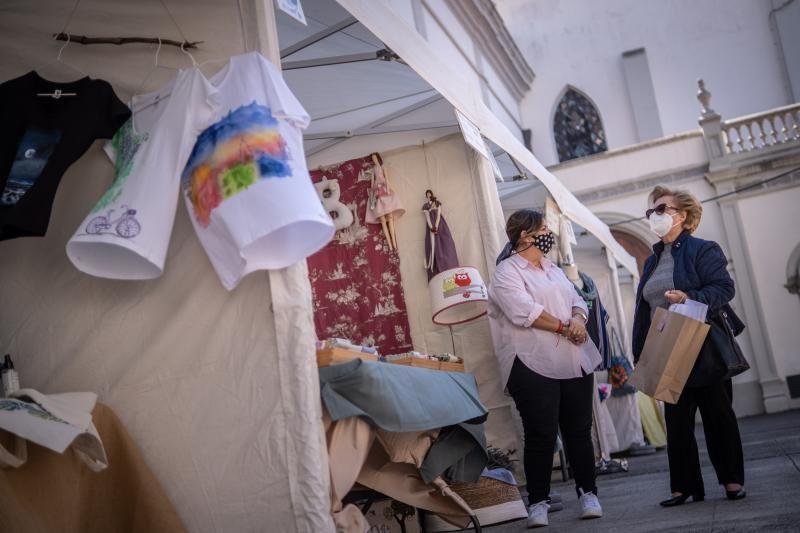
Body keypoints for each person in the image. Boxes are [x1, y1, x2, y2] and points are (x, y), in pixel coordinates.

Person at [488, 209, 603, 528]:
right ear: (525, 235)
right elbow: (522, 311)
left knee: (579, 430)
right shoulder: (507, 271)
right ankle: (539, 501)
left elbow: (578, 299)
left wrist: (579, 320)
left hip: (572, 358)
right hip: (531, 362)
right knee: (540, 433)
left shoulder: (552, 268)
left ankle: (588, 493)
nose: (548, 234)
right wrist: (566, 327)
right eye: (543, 229)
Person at [632, 185, 746, 507]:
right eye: (650, 211)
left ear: (682, 215)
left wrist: (690, 297)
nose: (654, 216)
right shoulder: (651, 261)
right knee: (677, 423)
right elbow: (644, 310)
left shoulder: (702, 249)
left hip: (702, 342)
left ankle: (732, 480)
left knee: (718, 416)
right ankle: (683, 487)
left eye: (661, 209)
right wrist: (639, 352)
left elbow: (724, 288)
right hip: (665, 347)